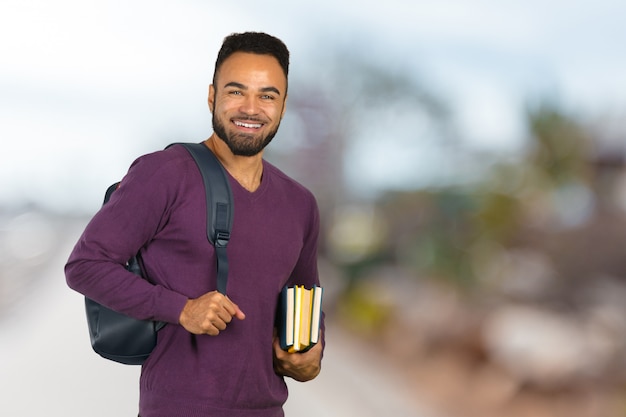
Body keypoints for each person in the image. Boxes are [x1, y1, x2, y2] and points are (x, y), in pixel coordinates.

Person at [65, 31, 324, 417]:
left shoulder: (300, 204)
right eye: (236, 91)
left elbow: (306, 301)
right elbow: (85, 266)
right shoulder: (164, 174)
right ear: (211, 97)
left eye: (267, 95)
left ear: (283, 107)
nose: (251, 108)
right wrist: (181, 309)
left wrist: (310, 358)